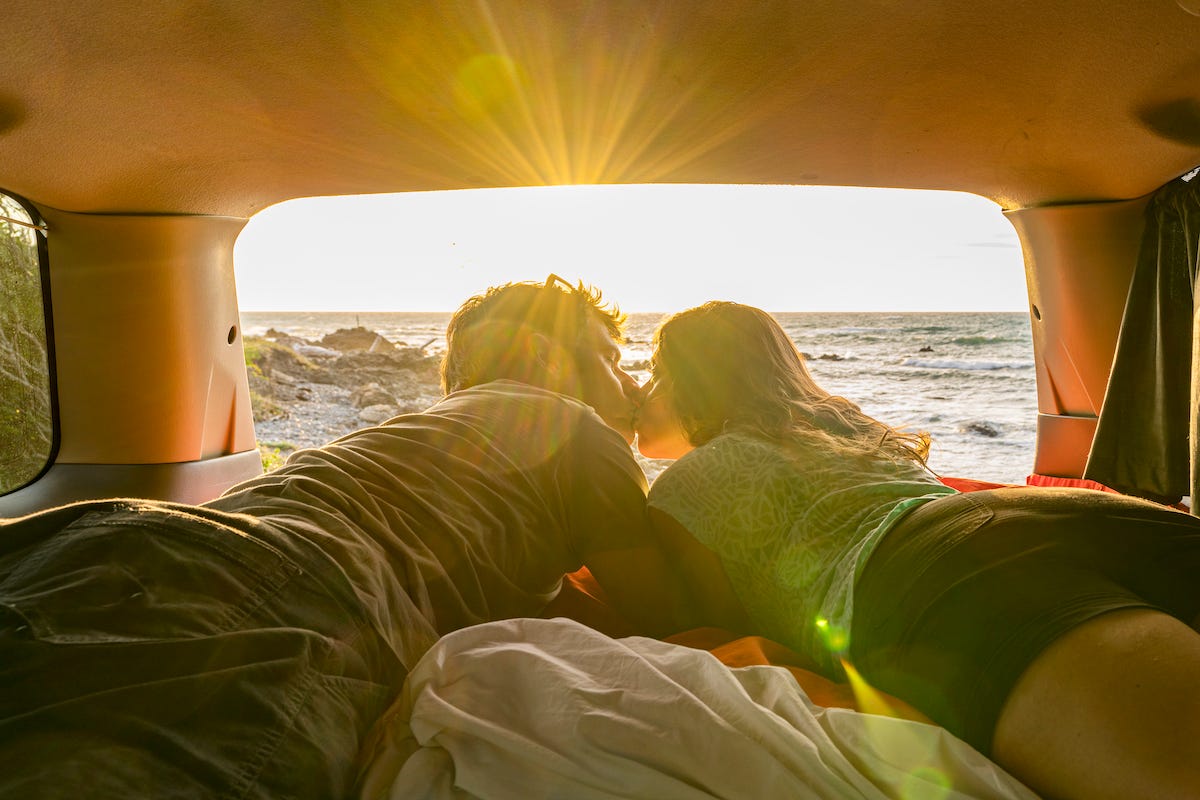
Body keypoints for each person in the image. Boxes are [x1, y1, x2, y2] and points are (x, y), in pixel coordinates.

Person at [0, 276, 684, 799]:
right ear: (544, 358)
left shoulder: (423, 435)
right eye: (610, 358)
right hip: (285, 598)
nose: (630, 382)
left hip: (102, 541)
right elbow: (662, 615)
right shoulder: (574, 426)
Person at [636, 300, 1200, 800]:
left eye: (655, 374)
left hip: (936, 574)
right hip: (1058, 518)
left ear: (687, 382)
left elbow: (711, 634)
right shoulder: (844, 426)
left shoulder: (685, 486)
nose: (642, 388)